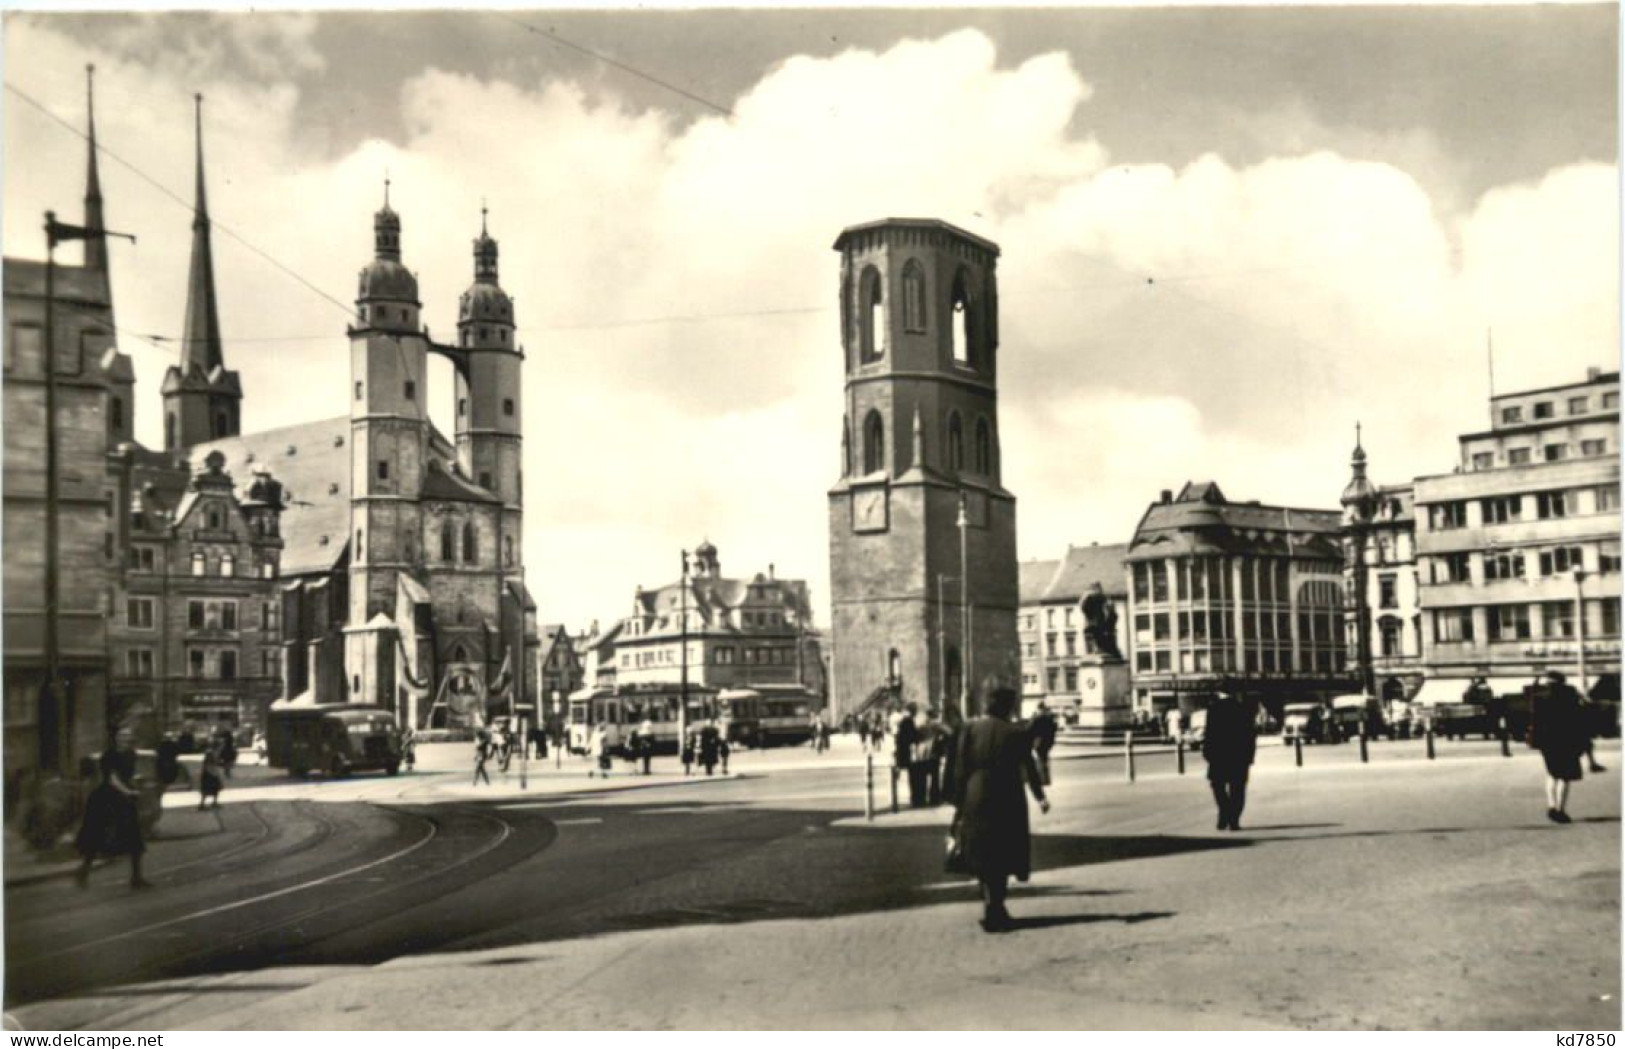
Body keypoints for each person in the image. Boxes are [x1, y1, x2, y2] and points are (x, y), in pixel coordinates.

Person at [951, 687, 1048, 932]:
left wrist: (958, 801)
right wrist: (1040, 797)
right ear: (1007, 706)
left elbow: (959, 767)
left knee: (982, 851)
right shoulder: (1015, 732)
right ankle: (996, 905)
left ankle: (990, 903)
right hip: (1007, 795)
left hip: (976, 794)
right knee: (1003, 852)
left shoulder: (969, 729)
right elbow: (1029, 766)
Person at [74, 728, 151, 890]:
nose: (125, 739)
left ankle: (136, 877)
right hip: (106, 798)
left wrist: (136, 783)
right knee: (96, 835)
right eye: (122, 736)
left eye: (128, 736)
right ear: (116, 738)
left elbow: (129, 774)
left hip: (125, 797)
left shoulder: (131, 754)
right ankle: (83, 872)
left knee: (134, 836)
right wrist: (128, 791)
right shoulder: (109, 756)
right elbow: (112, 778)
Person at [1531, 670, 1588, 823]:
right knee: (1565, 776)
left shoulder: (1540, 696)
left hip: (1547, 741)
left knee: (1552, 773)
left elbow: (1535, 720)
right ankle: (1560, 809)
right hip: (1567, 740)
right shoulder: (1571, 695)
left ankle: (1551, 805)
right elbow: (1580, 717)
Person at [1202, 693, 1257, 831]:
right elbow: (1250, 735)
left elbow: (1209, 733)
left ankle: (1224, 811)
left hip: (1219, 755)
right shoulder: (1244, 709)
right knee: (1237, 788)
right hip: (1239, 755)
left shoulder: (1214, 709)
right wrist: (1250, 756)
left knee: (1217, 786)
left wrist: (1207, 752)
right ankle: (1233, 819)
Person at [895, 703, 923, 807]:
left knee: (913, 777)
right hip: (909, 753)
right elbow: (912, 737)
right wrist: (919, 734)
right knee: (915, 777)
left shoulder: (904, 721)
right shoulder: (908, 721)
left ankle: (915, 798)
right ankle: (916, 799)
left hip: (905, 752)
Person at [1029, 702, 1059, 787]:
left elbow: (1030, 728)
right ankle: (1046, 779)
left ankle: (1041, 779)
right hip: (1048, 741)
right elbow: (1054, 727)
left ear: (1039, 708)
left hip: (1038, 740)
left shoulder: (1037, 717)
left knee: (1039, 759)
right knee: (1044, 758)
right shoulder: (1049, 717)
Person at [199, 741, 225, 811]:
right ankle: (202, 804)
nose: (222, 748)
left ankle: (213, 802)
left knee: (215, 788)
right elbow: (211, 762)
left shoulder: (212, 752)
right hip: (210, 772)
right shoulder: (211, 753)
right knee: (208, 788)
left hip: (212, 772)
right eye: (221, 746)